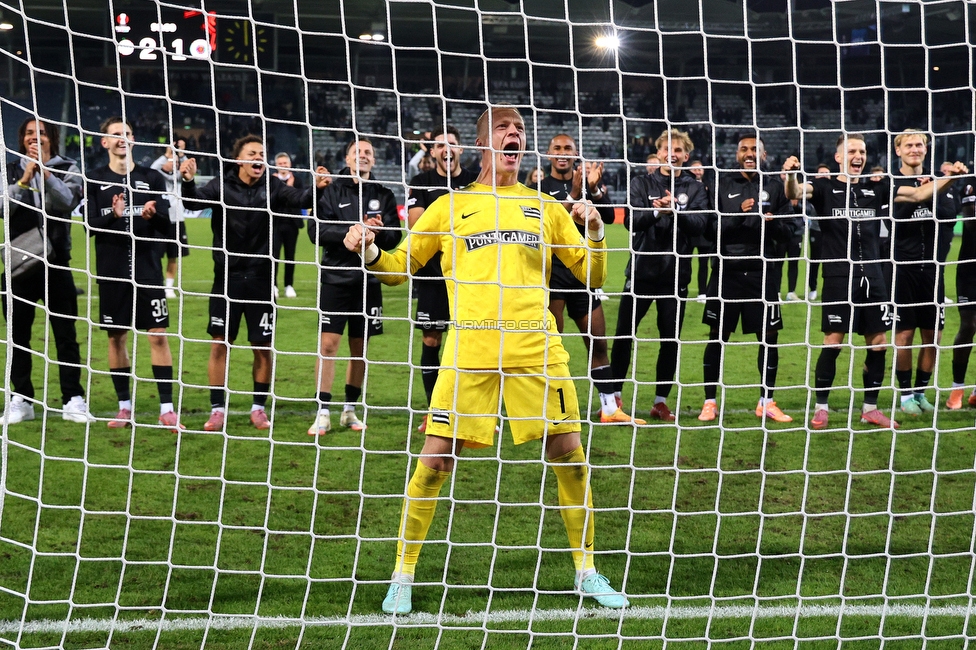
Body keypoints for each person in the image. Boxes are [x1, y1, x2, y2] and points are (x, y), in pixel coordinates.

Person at [345, 105, 627, 614]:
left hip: (536, 346)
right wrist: (366, 249)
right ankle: (402, 575)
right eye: (504, 128)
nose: (514, 134)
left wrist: (597, 231)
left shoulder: (545, 206)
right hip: (470, 347)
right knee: (434, 459)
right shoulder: (450, 206)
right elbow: (397, 269)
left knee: (570, 456)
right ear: (483, 144)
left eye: (519, 129)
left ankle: (586, 570)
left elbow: (594, 276)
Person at [784, 133, 965, 430]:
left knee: (879, 343)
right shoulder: (825, 187)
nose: (859, 156)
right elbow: (795, 191)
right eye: (852, 151)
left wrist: (952, 179)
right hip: (839, 276)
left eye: (863, 151)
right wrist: (790, 175)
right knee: (833, 342)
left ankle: (870, 408)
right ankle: (821, 408)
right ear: (839, 157)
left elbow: (919, 195)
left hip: (874, 276)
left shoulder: (876, 188)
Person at [180, 135, 328, 431]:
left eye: (263, 153)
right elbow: (192, 202)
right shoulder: (221, 185)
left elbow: (300, 200)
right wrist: (187, 180)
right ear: (239, 159)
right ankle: (217, 409)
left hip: (262, 279)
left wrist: (317, 188)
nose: (259, 157)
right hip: (227, 279)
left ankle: (258, 408)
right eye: (253, 153)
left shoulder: (272, 186)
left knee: (262, 346)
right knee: (220, 344)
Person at [528, 133, 642, 424]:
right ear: (548, 153)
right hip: (551, 279)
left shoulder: (588, 185)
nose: (563, 153)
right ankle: (545, 408)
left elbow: (610, 219)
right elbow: (540, 227)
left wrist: (594, 191)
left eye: (568, 148)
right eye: (558, 148)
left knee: (598, 345)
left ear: (576, 153)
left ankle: (609, 409)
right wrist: (571, 196)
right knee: (551, 347)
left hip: (582, 277)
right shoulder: (537, 188)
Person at [86, 117, 182, 431]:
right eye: (116, 135)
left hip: (147, 269)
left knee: (158, 335)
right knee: (116, 337)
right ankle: (124, 407)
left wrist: (153, 217)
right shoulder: (95, 179)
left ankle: (167, 409)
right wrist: (114, 217)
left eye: (127, 134)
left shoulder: (151, 177)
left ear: (133, 140)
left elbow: (169, 229)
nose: (122, 139)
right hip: (112, 271)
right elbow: (89, 227)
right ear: (105, 142)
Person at [610, 128, 711, 421]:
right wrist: (657, 213)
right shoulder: (641, 182)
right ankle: (614, 397)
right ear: (659, 153)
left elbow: (701, 224)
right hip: (641, 272)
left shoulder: (694, 188)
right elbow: (631, 220)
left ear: (686, 156)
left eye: (678, 150)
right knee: (624, 336)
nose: (673, 154)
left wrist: (675, 212)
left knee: (670, 340)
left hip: (675, 276)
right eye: (667, 149)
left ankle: (660, 401)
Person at [699, 136, 799, 423]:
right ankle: (709, 401)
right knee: (717, 337)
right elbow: (709, 229)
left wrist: (773, 222)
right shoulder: (722, 183)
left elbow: (790, 229)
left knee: (769, 338)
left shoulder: (775, 186)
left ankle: (766, 401)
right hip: (727, 271)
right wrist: (738, 215)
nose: (749, 153)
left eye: (755, 149)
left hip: (763, 272)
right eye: (744, 149)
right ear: (737, 154)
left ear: (764, 155)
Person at [1, 118, 92, 425]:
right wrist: (24, 181)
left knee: (66, 335)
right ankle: (22, 399)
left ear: (51, 138)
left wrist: (46, 173)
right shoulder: (11, 169)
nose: (34, 138)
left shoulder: (69, 167)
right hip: (18, 266)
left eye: (40, 133)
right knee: (18, 337)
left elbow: (67, 202)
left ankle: (72, 399)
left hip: (56, 264)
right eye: (28, 133)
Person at [307, 139, 401, 435]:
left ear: (374, 161)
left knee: (359, 349)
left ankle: (349, 409)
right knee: (328, 345)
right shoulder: (330, 191)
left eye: (368, 153)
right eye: (357, 152)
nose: (363, 156)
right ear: (347, 159)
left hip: (369, 281)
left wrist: (379, 232)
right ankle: (322, 410)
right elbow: (315, 231)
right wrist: (349, 232)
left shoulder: (383, 194)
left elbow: (395, 237)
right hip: (335, 280)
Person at [889, 130, 967, 415]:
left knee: (933, 338)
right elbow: (912, 200)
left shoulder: (942, 184)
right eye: (908, 144)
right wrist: (940, 184)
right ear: (898, 150)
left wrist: (940, 186)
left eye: (919, 144)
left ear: (926, 149)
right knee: (904, 337)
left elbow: (948, 218)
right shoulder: (890, 182)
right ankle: (905, 394)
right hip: (903, 272)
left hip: (934, 272)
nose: (914, 148)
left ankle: (921, 392)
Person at [405, 125, 478, 431]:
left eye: (452, 144)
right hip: (433, 276)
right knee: (432, 339)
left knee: (471, 343)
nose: (446, 149)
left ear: (460, 149)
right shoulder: (421, 181)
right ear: (432, 151)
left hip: (472, 274)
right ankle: (435, 410)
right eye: (439, 145)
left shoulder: (475, 181)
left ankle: (471, 411)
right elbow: (416, 224)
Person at [150, 136, 195, 300]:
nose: (172, 163)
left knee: (173, 255)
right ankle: (157, 285)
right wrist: (167, 153)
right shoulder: (157, 172)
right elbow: (153, 168)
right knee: (155, 255)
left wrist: (181, 154)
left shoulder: (179, 175)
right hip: (160, 218)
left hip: (177, 219)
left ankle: (169, 288)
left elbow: (187, 170)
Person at [271, 152, 318, 299]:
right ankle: (273, 285)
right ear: (276, 165)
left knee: (290, 256)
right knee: (274, 256)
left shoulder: (297, 180)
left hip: (291, 224)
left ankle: (288, 285)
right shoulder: (271, 181)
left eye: (285, 163)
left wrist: (290, 188)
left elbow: (301, 199)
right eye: (280, 163)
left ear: (290, 165)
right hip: (275, 223)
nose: (283, 166)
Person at [948, 176, 976, 408]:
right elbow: (970, 222)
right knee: (968, 326)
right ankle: (957, 388)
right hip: (970, 268)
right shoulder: (971, 182)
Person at [688, 159, 714, 302]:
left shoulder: (709, 186)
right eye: (695, 168)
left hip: (704, 231)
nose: (698, 171)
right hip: (690, 229)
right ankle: (680, 288)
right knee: (684, 262)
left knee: (704, 263)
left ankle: (702, 292)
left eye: (700, 168)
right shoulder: (685, 186)